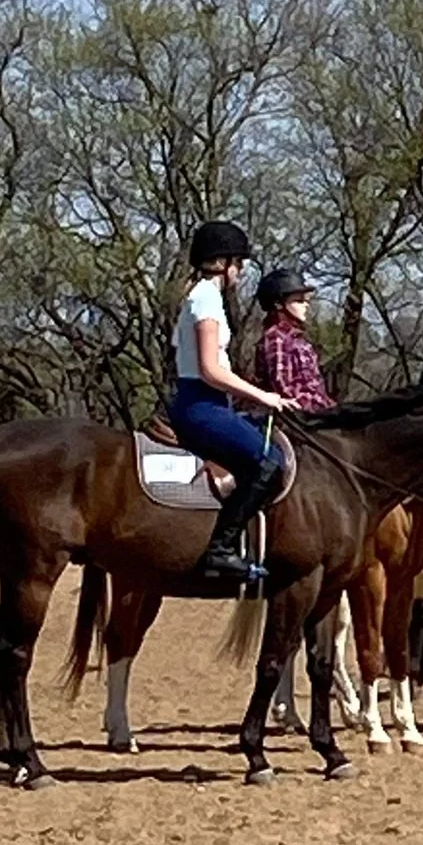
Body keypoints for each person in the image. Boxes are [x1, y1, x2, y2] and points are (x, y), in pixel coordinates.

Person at [168, 220, 297, 582]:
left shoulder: (201, 297)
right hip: (201, 405)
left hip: (209, 402)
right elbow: (210, 370)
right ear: (223, 263)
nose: (240, 271)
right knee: (267, 463)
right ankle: (220, 550)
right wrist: (264, 396)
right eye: (238, 263)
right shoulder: (206, 300)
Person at [255, 269, 332, 411]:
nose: (306, 305)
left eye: (306, 301)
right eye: (299, 301)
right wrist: (320, 408)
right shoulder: (276, 338)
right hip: (294, 419)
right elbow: (285, 388)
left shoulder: (298, 339)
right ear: (278, 304)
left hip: (314, 414)